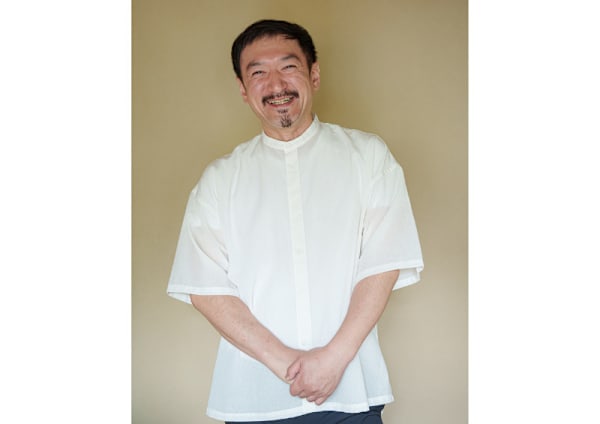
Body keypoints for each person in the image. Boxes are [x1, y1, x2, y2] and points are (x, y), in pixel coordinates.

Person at [167, 19, 424, 424]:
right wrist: (288, 365)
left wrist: (334, 359)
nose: (276, 84)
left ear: (314, 75)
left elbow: (383, 262)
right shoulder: (219, 179)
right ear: (243, 89)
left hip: (352, 391)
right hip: (252, 396)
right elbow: (206, 287)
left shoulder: (368, 156)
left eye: (288, 67)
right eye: (258, 73)